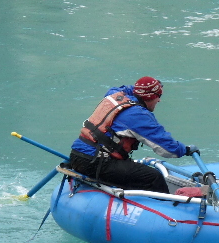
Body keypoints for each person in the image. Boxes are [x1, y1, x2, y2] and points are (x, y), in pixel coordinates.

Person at [69, 77, 199, 193]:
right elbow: (167, 149)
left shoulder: (114, 94)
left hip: (77, 156)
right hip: (97, 163)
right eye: (158, 96)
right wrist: (185, 150)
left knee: (136, 171)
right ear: (150, 97)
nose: (159, 100)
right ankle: (167, 210)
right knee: (154, 177)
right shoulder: (138, 116)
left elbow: (127, 89)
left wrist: (146, 87)